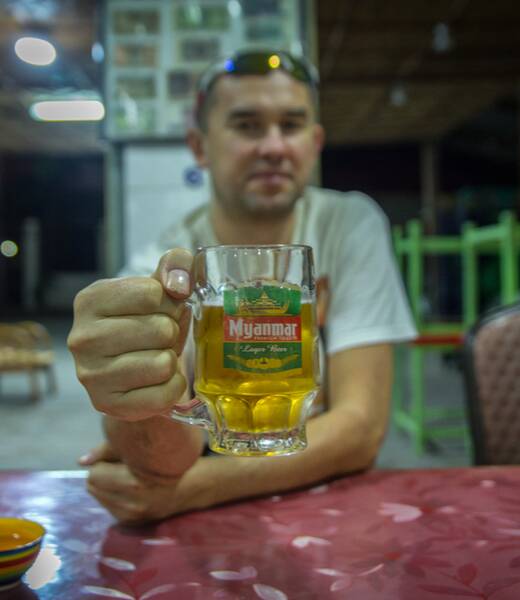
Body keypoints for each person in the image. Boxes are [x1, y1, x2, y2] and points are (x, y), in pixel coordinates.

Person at [68, 50, 416, 523]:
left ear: (315, 144)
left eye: (291, 126)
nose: (273, 146)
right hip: (232, 483)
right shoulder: (165, 258)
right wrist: (135, 405)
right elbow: (167, 459)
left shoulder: (349, 222)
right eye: (247, 125)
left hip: (326, 501)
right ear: (198, 146)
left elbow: (362, 428)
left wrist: (189, 491)